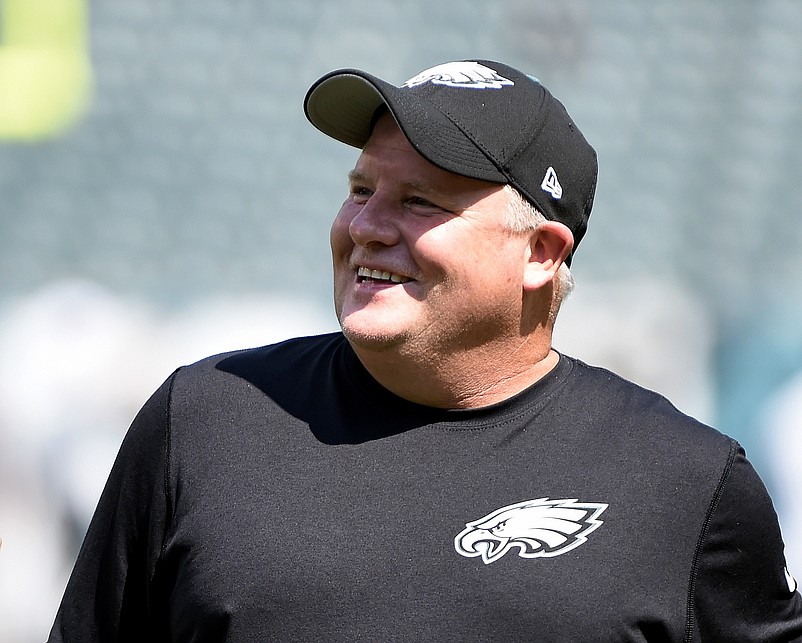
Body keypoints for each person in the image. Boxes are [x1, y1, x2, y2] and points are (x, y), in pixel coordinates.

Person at [49, 59, 802, 642]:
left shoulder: (685, 483)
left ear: (540, 252)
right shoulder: (204, 420)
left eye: (419, 201)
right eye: (360, 188)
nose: (365, 225)